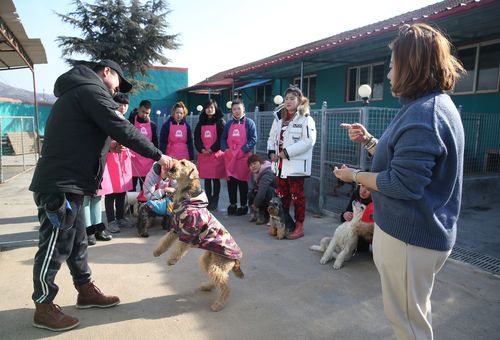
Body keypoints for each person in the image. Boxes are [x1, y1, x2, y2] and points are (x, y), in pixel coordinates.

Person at [333, 23, 465, 340]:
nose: (389, 75)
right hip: (415, 237)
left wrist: (354, 176)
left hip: (411, 239)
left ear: (410, 66)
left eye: (392, 66)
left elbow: (404, 184)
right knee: (413, 315)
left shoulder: (425, 114)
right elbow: (404, 162)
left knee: (407, 325)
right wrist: (368, 142)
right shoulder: (425, 107)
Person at [29, 59, 173, 332]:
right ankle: (43, 305)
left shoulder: (81, 91)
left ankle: (85, 290)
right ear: (106, 72)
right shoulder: (90, 90)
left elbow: (85, 133)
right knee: (55, 245)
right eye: (118, 81)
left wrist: (111, 145)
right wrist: (158, 154)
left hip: (73, 184)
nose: (118, 89)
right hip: (61, 184)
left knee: (77, 241)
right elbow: (121, 126)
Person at [267, 86, 316, 240]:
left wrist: (286, 153)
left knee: (297, 197)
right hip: (280, 167)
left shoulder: (306, 119)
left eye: (292, 98)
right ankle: (284, 224)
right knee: (282, 197)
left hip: (295, 167)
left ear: (299, 101)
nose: (288, 101)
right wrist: (271, 152)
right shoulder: (279, 120)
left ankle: (299, 225)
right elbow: (271, 138)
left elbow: (308, 141)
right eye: (286, 98)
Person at [98, 93, 134, 234]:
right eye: (120, 104)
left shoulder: (126, 121)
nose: (123, 107)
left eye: (125, 105)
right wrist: (113, 144)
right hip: (111, 159)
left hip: (123, 159)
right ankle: (111, 220)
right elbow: (104, 139)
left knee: (121, 191)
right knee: (110, 191)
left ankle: (120, 217)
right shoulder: (108, 119)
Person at [220, 99, 257, 216]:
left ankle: (243, 205)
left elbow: (253, 139)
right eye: (234, 109)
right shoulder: (229, 124)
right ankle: (232, 204)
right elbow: (223, 139)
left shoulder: (249, 123)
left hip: (243, 157)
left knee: (242, 182)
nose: (236, 111)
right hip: (230, 157)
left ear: (243, 109)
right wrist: (225, 149)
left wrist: (243, 149)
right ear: (232, 111)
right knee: (231, 182)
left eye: (238, 109)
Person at [194, 99, 226, 211]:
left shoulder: (220, 121)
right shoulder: (200, 122)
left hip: (215, 154)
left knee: (215, 178)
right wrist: (201, 149)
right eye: (207, 107)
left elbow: (222, 137)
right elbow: (197, 137)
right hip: (204, 154)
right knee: (207, 179)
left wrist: (212, 149)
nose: (209, 109)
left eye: (212, 107)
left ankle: (215, 200)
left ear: (215, 108)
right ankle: (208, 199)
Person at [136, 161, 176, 237]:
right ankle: (144, 228)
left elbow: (177, 189)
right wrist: (164, 190)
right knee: (147, 219)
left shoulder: (174, 176)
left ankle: (165, 223)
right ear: (160, 168)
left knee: (169, 211)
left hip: (165, 200)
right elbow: (148, 195)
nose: (168, 173)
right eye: (165, 169)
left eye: (170, 170)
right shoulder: (151, 175)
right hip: (149, 199)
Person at [128, 100, 159, 192]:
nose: (144, 114)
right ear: (138, 109)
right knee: (131, 188)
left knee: (145, 189)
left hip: (147, 161)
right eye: (143, 111)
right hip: (132, 159)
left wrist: (156, 157)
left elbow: (155, 142)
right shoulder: (130, 123)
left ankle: (144, 206)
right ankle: (131, 206)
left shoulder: (152, 125)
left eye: (147, 113)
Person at [340, 184, 373, 252]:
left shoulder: (375, 202)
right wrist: (345, 215)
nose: (363, 191)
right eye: (362, 186)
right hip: (350, 235)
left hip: (364, 238)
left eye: (368, 189)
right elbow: (346, 214)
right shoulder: (356, 194)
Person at [247, 154, 276, 224]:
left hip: (274, 196)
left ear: (260, 162)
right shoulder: (252, 174)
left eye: (255, 163)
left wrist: (255, 205)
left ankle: (269, 215)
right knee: (251, 192)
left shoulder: (267, 172)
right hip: (262, 194)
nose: (253, 166)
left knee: (267, 191)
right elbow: (251, 188)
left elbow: (262, 192)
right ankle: (256, 213)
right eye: (250, 165)